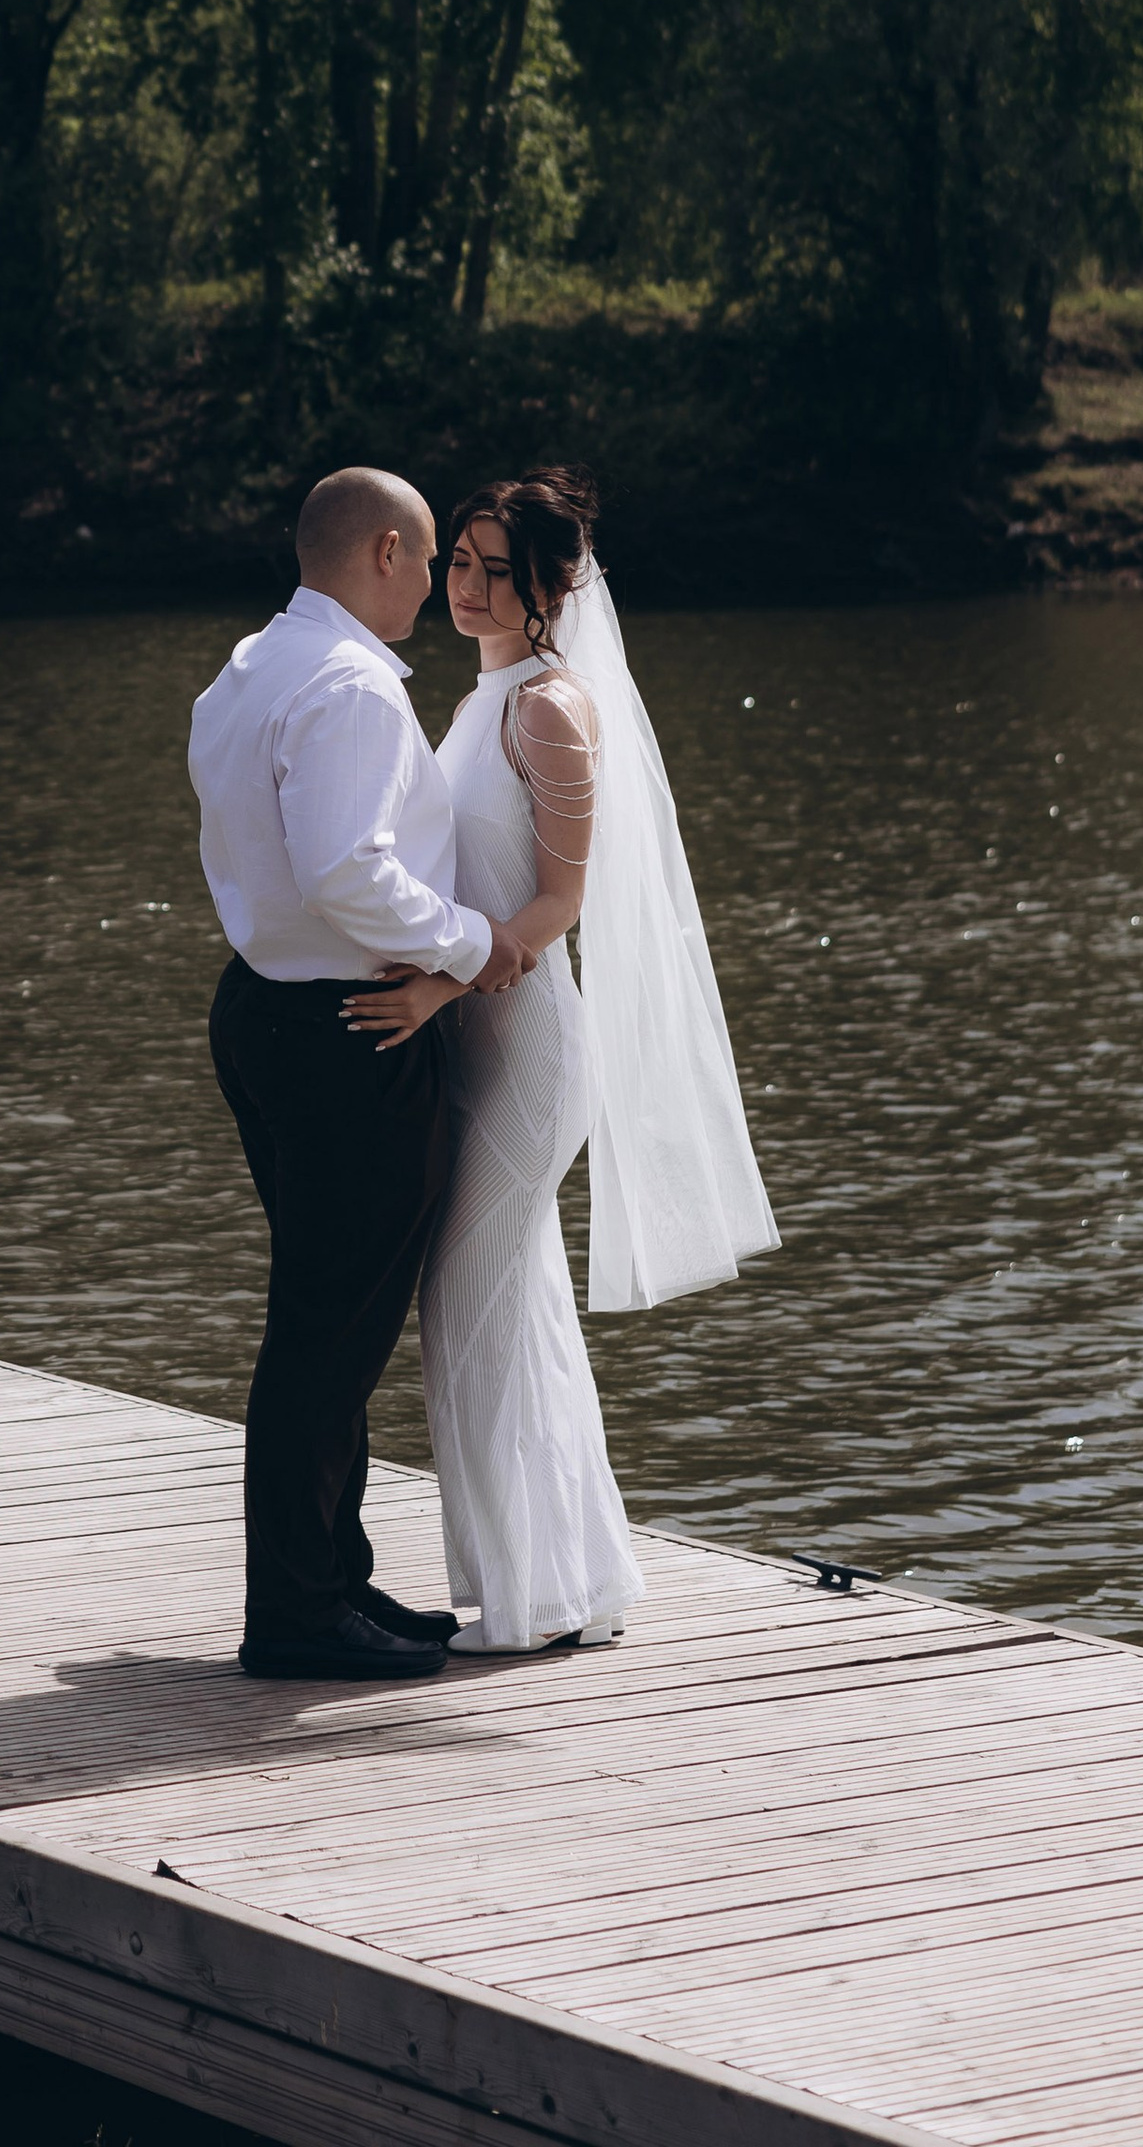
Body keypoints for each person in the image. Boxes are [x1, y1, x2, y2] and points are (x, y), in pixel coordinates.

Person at [346, 467, 780, 1651]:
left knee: (474, 1302)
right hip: (475, 1039)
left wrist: (437, 984)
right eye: (462, 563)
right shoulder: (479, 697)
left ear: (554, 584)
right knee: (504, 1304)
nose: (468, 588)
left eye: (497, 570)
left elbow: (554, 907)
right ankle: (561, 1582)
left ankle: (535, 1597)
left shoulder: (546, 706)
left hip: (524, 1052)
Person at [188, 467, 529, 1681]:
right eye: (433, 561)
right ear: (386, 549)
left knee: (329, 1316)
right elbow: (349, 874)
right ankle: (291, 1609)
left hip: (266, 1010)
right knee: (327, 1329)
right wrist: (472, 944)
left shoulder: (249, 667)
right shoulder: (346, 690)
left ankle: (333, 1578)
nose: (438, 586)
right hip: (349, 1026)